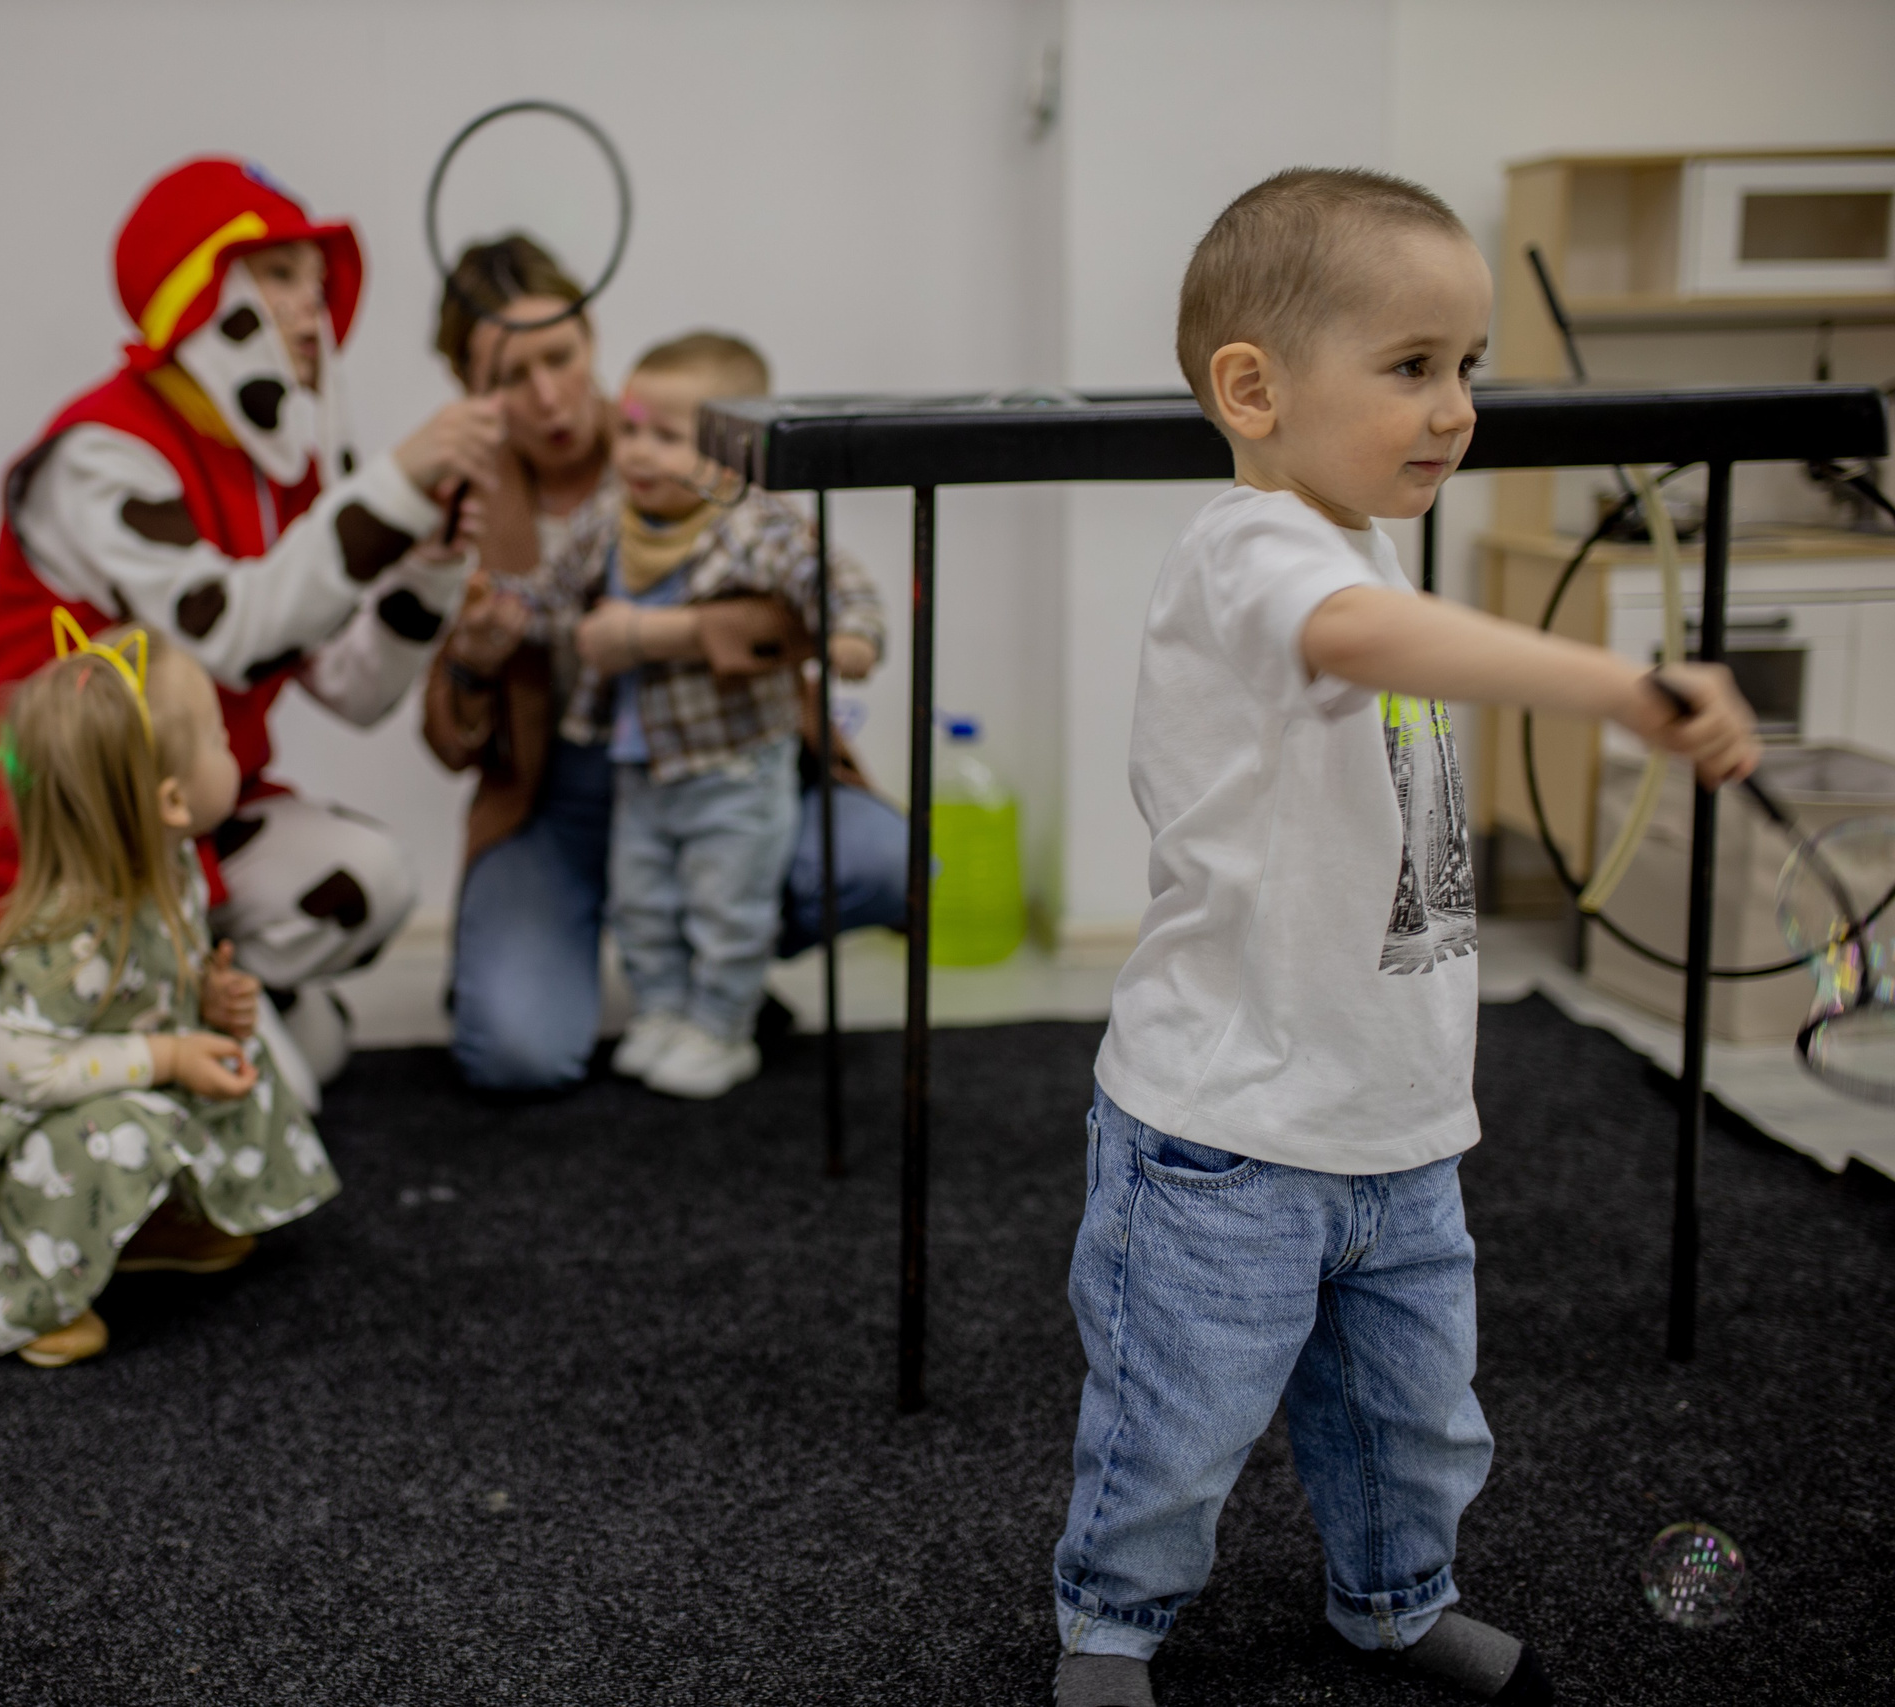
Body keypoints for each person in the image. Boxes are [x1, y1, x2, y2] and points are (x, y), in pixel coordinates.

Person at [1048, 168, 1760, 1707]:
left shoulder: (1371, 541)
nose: (1458, 409)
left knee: (1419, 1414)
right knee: (1178, 1422)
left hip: (1397, 1121)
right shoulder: (1249, 552)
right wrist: (1619, 684)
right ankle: (1111, 1624)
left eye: (1470, 367)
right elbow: (1356, 643)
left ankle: (1395, 1592)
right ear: (1253, 387)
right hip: (1225, 1135)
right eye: (1414, 365)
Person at [0, 156, 503, 1103]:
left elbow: (353, 688)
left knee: (369, 879)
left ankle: (187, 994)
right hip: (69, 837)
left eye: (315, 278)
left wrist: (424, 566)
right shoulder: (101, 453)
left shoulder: (280, 472)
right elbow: (230, 628)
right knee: (262, 1111)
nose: (312, 307)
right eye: (277, 275)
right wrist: (391, 489)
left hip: (194, 818)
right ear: (202, 294)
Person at [422, 236, 908, 1093]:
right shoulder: (461, 499)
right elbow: (457, 720)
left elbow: (802, 596)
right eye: (507, 376)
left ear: (592, 337)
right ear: (469, 388)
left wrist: (648, 636)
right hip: (566, 797)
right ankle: (657, 989)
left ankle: (717, 994)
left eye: (560, 357)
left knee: (869, 859)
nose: (545, 395)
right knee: (516, 1053)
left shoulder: (696, 436)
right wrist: (476, 652)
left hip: (723, 763)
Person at [0, 616, 335, 1370]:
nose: (231, 747)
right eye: (216, 737)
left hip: (112, 1062)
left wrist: (211, 1000)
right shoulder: (72, 936)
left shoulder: (172, 862)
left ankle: (152, 1226)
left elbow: (159, 979)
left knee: (240, 1060)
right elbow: (23, 1072)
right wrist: (167, 1053)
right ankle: (25, 1291)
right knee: (105, 1135)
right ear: (171, 798)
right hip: (18, 1119)